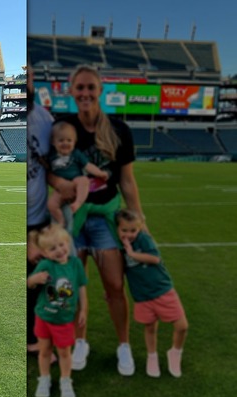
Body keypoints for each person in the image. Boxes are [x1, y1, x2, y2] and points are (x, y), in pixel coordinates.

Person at [48, 64, 146, 376]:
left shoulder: (119, 130)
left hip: (106, 218)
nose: (86, 93)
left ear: (100, 90)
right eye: (80, 88)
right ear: (72, 91)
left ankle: (124, 346)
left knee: (115, 285)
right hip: (72, 217)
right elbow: (49, 167)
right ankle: (80, 342)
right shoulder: (63, 125)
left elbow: (127, 181)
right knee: (72, 284)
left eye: (91, 87)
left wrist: (138, 217)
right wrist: (58, 184)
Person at [116, 209, 188, 377]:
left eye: (133, 230)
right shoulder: (119, 246)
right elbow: (120, 270)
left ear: (139, 229)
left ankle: (175, 352)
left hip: (162, 290)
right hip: (142, 296)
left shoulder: (144, 239)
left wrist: (132, 253)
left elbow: (155, 259)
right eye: (124, 230)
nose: (129, 234)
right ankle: (152, 356)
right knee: (149, 327)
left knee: (182, 326)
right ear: (117, 229)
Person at [27, 223, 88, 397]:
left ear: (68, 243)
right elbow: (29, 283)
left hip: (64, 319)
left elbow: (82, 288)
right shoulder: (46, 264)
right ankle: (44, 378)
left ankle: (65, 380)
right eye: (53, 248)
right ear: (45, 252)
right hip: (44, 316)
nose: (59, 250)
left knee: (64, 352)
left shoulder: (76, 264)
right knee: (44, 351)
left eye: (62, 245)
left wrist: (83, 309)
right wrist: (34, 279)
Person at [26, 64, 56, 357]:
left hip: (39, 219)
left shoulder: (45, 119)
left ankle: (38, 337)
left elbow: (53, 167)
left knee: (41, 279)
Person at [46, 120, 109, 227]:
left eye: (69, 140)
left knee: (83, 180)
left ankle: (78, 203)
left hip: (75, 182)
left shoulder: (76, 154)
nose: (65, 143)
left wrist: (99, 173)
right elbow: (46, 169)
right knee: (51, 205)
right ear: (53, 142)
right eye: (61, 140)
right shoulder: (51, 155)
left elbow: (88, 166)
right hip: (60, 189)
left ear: (74, 141)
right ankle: (60, 221)